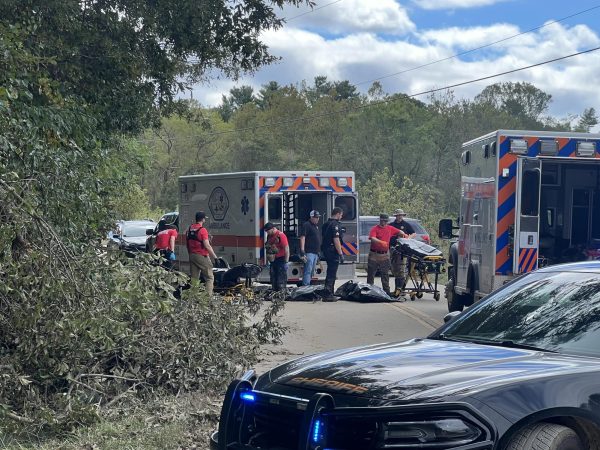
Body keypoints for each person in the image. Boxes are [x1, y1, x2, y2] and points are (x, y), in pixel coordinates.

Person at [367, 213, 407, 295]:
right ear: (380, 220)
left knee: (385, 275)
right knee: (371, 274)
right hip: (374, 255)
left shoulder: (390, 228)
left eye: (385, 221)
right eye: (382, 221)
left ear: (387, 221)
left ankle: (386, 292)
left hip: (385, 255)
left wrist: (403, 234)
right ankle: (369, 291)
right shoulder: (374, 229)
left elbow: (399, 232)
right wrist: (381, 242)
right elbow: (373, 238)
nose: (384, 222)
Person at [186, 211, 218, 297]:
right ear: (203, 219)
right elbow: (207, 245)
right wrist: (215, 257)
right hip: (201, 255)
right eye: (204, 219)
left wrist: (190, 254)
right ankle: (207, 299)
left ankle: (193, 298)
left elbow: (187, 243)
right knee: (209, 277)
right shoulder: (202, 230)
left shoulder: (190, 228)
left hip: (192, 255)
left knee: (194, 279)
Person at [389, 208, 416, 295]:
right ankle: (398, 288)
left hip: (403, 251)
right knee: (394, 269)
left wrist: (408, 238)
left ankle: (400, 289)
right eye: (398, 215)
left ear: (402, 216)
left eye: (401, 215)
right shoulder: (391, 225)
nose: (399, 217)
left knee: (401, 269)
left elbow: (413, 233)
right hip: (393, 249)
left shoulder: (406, 225)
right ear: (395, 216)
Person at [321, 207, 344, 296]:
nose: (341, 217)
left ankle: (328, 292)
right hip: (332, 251)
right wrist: (340, 253)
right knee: (332, 273)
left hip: (326, 250)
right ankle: (328, 295)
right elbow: (336, 239)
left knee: (330, 272)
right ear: (337, 214)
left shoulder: (326, 224)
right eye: (341, 215)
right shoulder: (335, 225)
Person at [264, 222, 289, 291]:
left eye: (268, 231)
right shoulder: (269, 236)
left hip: (281, 260)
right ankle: (274, 293)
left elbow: (286, 248)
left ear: (272, 229)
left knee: (280, 280)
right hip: (273, 260)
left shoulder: (280, 235)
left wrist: (286, 262)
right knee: (273, 279)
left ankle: (281, 294)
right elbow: (268, 246)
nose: (267, 233)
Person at [299, 210, 322, 286]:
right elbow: (303, 237)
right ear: (311, 217)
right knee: (308, 271)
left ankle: (308, 286)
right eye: (316, 217)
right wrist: (302, 250)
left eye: (318, 217)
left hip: (315, 253)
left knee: (311, 271)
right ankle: (305, 287)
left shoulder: (316, 226)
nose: (317, 219)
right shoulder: (307, 225)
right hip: (309, 252)